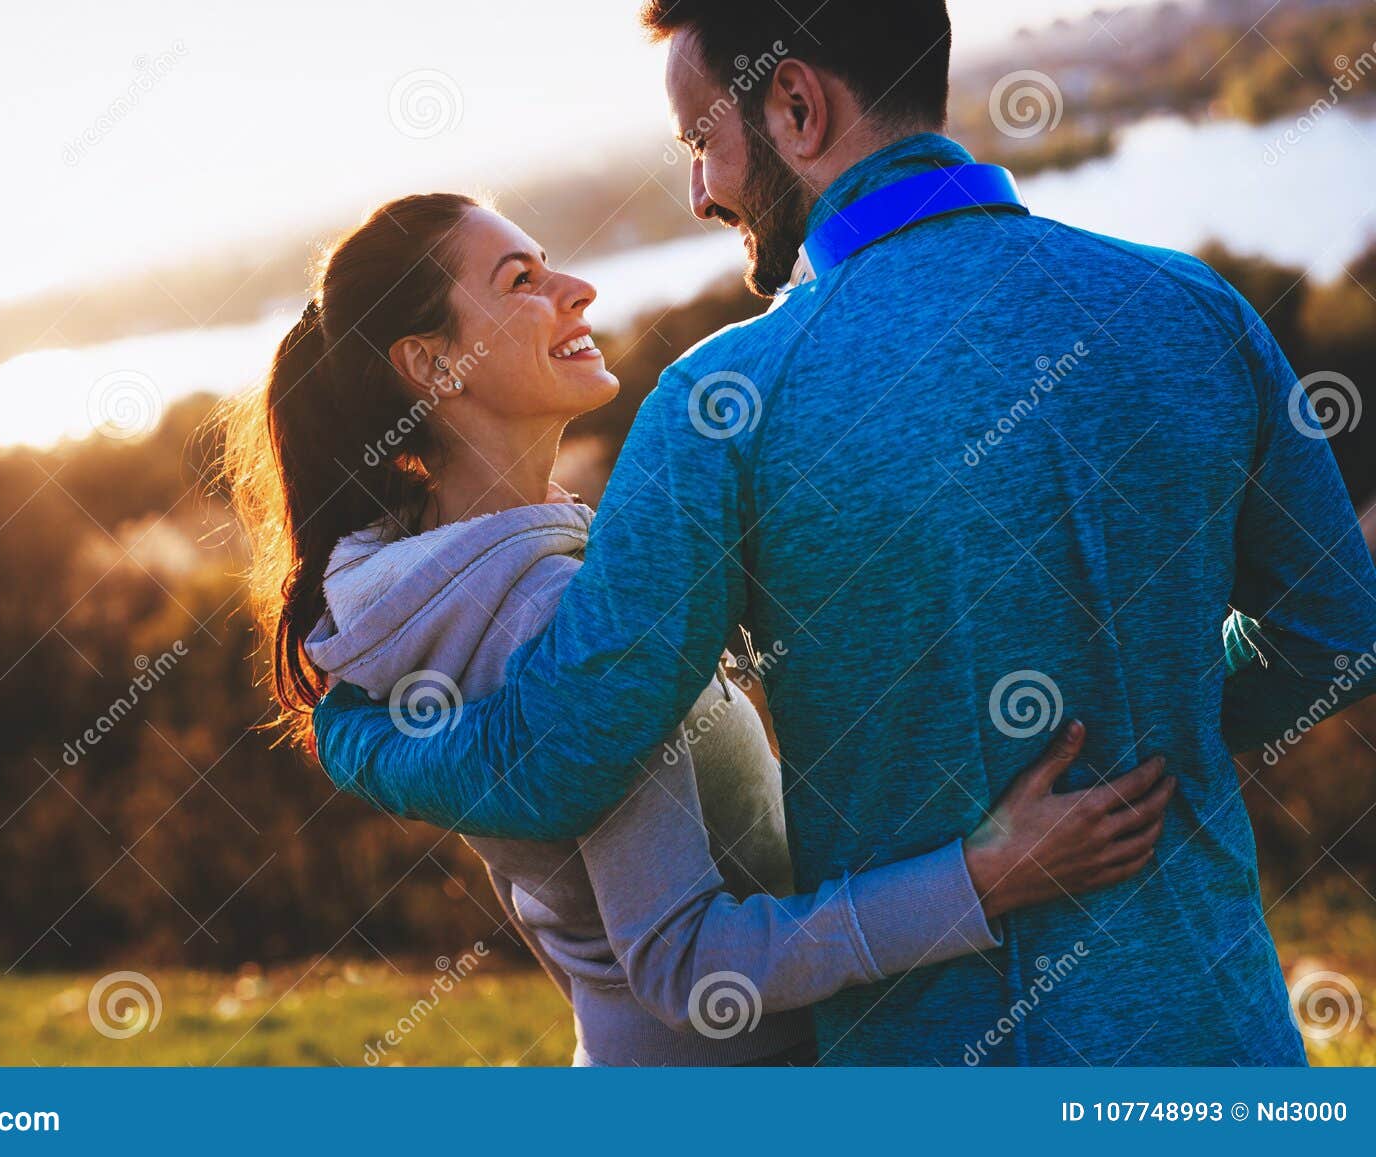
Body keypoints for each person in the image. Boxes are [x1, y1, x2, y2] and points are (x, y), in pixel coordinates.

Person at [311, 2, 1376, 1065]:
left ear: (795, 104)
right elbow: (1338, 632)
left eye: (700, 141)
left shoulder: (723, 402)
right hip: (1221, 1039)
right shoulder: (1192, 306)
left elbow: (559, 758)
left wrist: (354, 737)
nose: (701, 191)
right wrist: (1147, 713)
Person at [222, 192, 1175, 1066]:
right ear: (432, 364)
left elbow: (565, 914)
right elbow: (685, 966)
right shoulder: (544, 613)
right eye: (522, 281)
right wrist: (986, 877)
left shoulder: (419, 596)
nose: (577, 287)